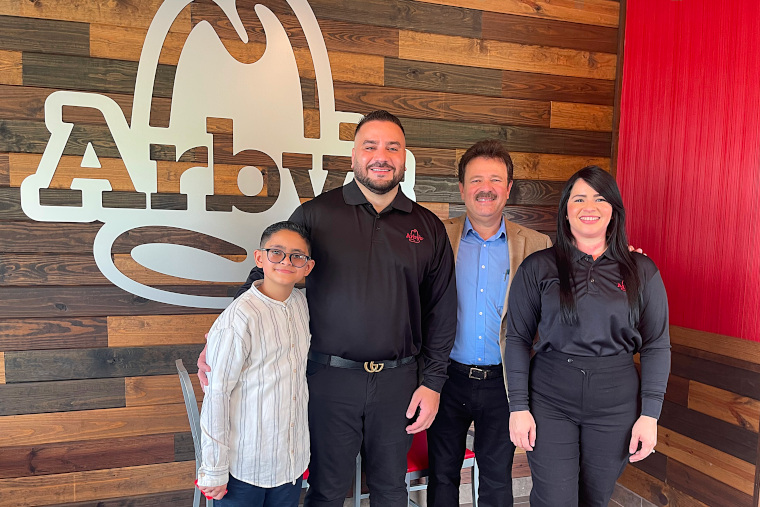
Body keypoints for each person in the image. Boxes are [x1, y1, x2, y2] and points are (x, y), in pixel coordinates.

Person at [198, 110, 457, 506]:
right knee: (327, 489)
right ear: (353, 157)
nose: (381, 155)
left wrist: (433, 382)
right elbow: (269, 271)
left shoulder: (428, 227)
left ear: (405, 158)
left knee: (391, 489)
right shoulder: (315, 215)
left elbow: (442, 310)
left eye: (392, 147)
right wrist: (221, 340)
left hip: (399, 382)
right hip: (328, 380)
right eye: (370, 146)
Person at [505, 166, 671, 507]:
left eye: (599, 198)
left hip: (616, 402)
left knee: (595, 498)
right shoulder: (539, 267)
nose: (588, 206)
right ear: (566, 210)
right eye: (578, 198)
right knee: (554, 499)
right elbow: (517, 338)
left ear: (613, 210)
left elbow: (656, 343)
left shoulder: (642, 270)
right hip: (550, 398)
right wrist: (518, 407)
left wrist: (650, 415)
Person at [427, 140, 551, 507]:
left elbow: (563, 304)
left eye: (495, 179)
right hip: (444, 379)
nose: (486, 187)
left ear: (508, 188)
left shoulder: (537, 245)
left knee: (497, 480)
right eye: (476, 179)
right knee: (442, 475)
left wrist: (617, 262)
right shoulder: (437, 237)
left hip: (504, 382)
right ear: (462, 188)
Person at [196, 221, 315, 506]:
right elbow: (217, 396)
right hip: (245, 465)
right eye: (277, 253)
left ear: (307, 267)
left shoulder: (301, 304)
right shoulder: (239, 318)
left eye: (297, 256)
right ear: (260, 258)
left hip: (289, 462)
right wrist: (213, 469)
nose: (286, 261)